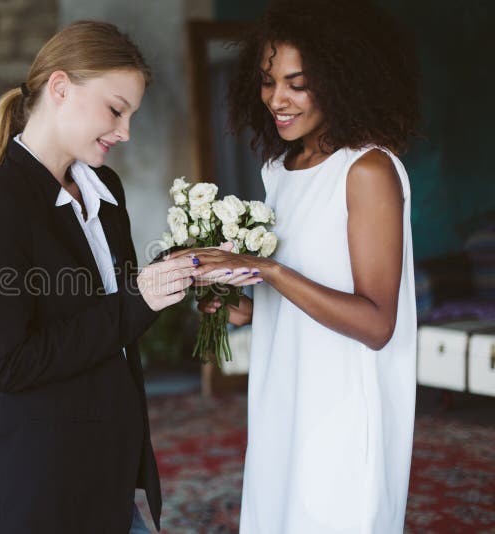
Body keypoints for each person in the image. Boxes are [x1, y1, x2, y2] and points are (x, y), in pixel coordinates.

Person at [177, 0, 421, 531]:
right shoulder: (279, 171)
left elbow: (377, 324)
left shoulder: (368, 170)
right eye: (267, 81)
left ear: (339, 80)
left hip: (340, 405)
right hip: (281, 398)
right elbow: (273, 312)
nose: (277, 100)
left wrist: (266, 270)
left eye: (297, 83)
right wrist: (225, 296)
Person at [0, 20, 195, 533]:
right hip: (44, 493)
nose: (125, 132)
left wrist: (181, 274)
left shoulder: (105, 190)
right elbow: (5, 363)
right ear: (60, 88)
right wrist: (138, 301)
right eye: (116, 110)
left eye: (130, 115)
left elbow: (116, 324)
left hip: (111, 479)